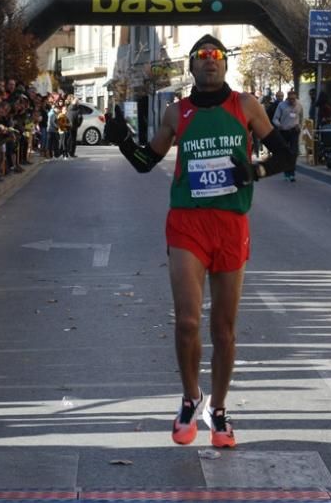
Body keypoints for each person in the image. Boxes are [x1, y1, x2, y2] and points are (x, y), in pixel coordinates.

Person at [104, 34, 295, 449]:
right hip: (187, 224)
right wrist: (121, 139)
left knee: (224, 329)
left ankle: (219, 410)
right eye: (202, 57)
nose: (210, 62)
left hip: (230, 224)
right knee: (188, 320)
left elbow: (286, 156)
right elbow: (144, 163)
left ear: (226, 65)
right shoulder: (177, 112)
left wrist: (255, 173)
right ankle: (191, 398)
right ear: (191, 67)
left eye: (217, 56)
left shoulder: (245, 106)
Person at [271, 89, 303, 181]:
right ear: (287, 98)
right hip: (284, 131)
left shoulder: (299, 105)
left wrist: (299, 126)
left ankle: (292, 173)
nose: (292, 101)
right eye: (290, 99)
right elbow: (275, 119)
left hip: (294, 131)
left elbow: (301, 117)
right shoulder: (281, 105)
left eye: (294, 99)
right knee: (286, 152)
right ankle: (286, 172)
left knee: (294, 152)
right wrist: (279, 125)